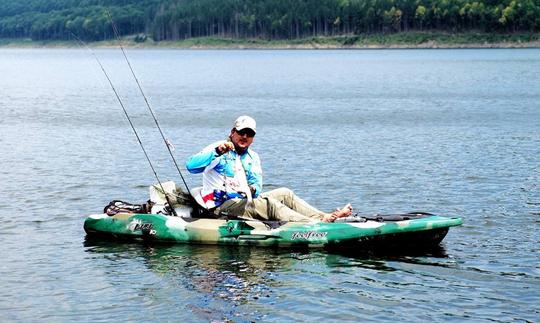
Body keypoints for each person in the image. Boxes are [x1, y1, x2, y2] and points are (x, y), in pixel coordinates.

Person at [185, 115, 352, 222]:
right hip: (220, 206)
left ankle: (323, 217)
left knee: (285, 193)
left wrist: (251, 189)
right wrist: (217, 152)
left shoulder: (253, 158)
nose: (245, 137)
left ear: (253, 137)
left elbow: (256, 188)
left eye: (249, 134)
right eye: (241, 132)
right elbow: (191, 166)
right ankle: (314, 224)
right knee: (269, 204)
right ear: (232, 132)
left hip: (243, 201)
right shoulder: (218, 148)